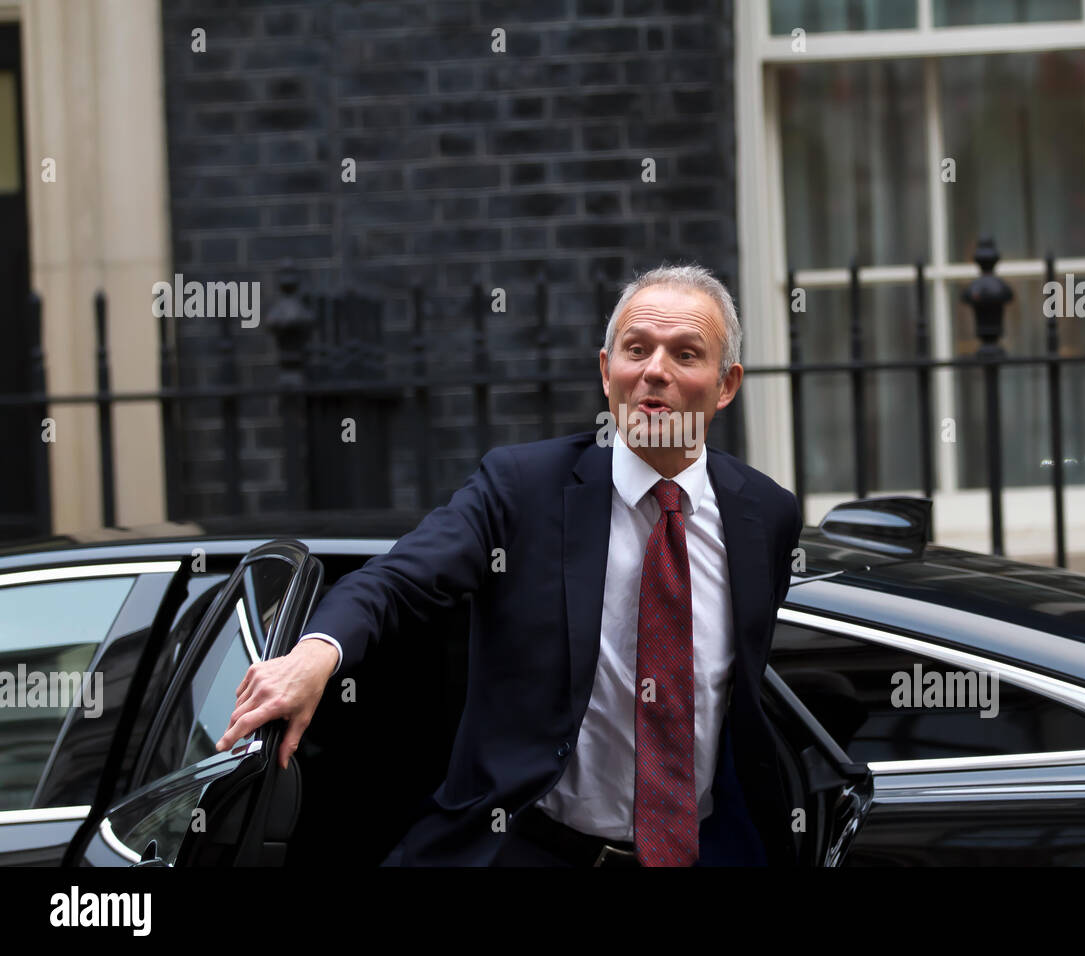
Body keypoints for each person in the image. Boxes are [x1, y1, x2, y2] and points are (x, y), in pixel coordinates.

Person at [216, 263, 803, 866]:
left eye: (685, 354)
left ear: (726, 384)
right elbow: (398, 580)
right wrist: (316, 655)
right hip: (533, 846)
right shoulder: (523, 488)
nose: (655, 371)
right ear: (607, 372)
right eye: (635, 349)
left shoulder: (766, 516)